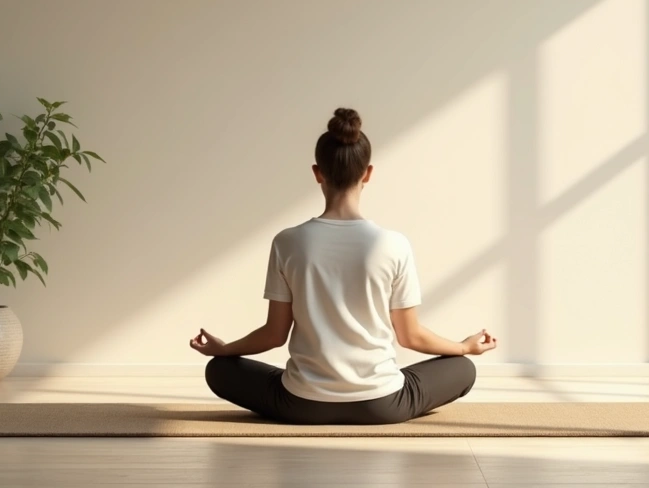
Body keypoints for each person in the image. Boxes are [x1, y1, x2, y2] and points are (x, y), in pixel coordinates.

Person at [188, 107, 498, 425]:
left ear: (317, 172)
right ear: (368, 173)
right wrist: (463, 347)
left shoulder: (288, 242)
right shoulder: (393, 244)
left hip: (301, 404)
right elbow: (411, 337)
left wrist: (224, 350)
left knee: (219, 370)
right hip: (383, 404)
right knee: (463, 368)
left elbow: (274, 335)